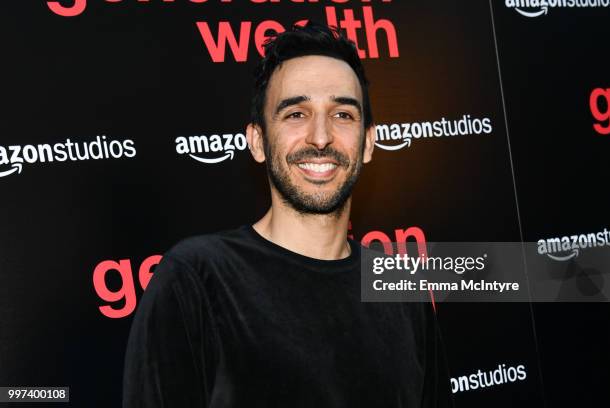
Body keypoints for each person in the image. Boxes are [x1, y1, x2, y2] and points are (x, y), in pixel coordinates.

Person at [123, 21, 453, 407]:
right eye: (296, 114)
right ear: (258, 142)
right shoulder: (197, 280)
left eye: (342, 115)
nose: (320, 137)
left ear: (368, 143)